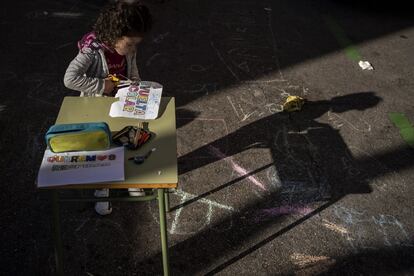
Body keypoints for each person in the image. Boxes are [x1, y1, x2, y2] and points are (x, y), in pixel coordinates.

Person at [63, 1, 152, 215]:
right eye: (129, 44)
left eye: (135, 45)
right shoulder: (92, 51)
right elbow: (69, 78)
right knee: (103, 146)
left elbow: (132, 71)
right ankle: (102, 188)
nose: (132, 49)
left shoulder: (128, 48)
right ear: (114, 35)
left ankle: (129, 178)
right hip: (96, 107)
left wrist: (137, 85)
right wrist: (102, 85)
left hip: (123, 103)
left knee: (129, 139)